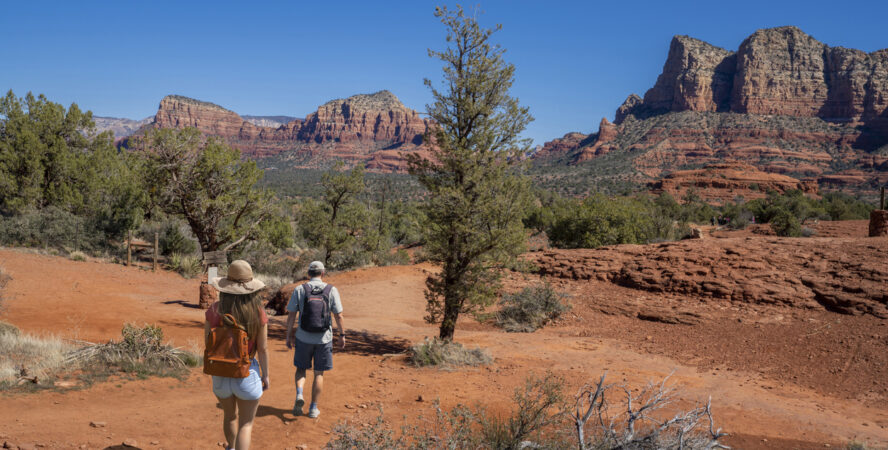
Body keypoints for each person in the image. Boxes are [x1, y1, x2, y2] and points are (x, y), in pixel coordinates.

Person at [205, 260, 269, 450]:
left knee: (229, 416)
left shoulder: (214, 310)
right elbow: (263, 349)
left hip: (220, 374)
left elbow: (207, 343)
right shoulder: (258, 312)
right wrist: (265, 375)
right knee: (246, 424)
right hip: (247, 372)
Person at [286, 261, 345, 419]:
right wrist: (342, 335)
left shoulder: (300, 289)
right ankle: (313, 408)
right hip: (324, 339)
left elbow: (291, 314)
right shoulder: (331, 290)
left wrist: (288, 335)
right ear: (323, 273)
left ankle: (299, 394)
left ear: (308, 273)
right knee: (319, 373)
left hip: (303, 337)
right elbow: (338, 315)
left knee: (301, 369)